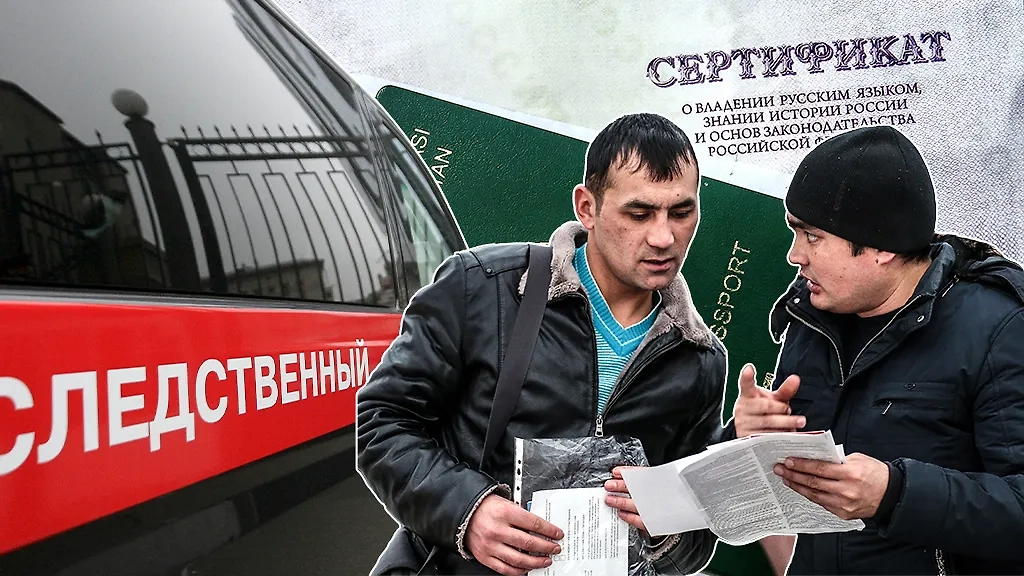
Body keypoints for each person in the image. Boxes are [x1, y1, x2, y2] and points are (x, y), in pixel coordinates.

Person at [356, 113, 727, 575]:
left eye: (681, 212)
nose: (663, 237)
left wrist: (664, 529)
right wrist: (467, 512)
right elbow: (382, 422)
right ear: (587, 207)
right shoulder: (482, 287)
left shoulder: (700, 359)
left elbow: (695, 537)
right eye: (639, 214)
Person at [720, 125, 1024, 574]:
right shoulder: (811, 315)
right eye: (795, 231)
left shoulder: (998, 328)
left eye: (812, 236)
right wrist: (744, 436)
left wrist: (896, 494)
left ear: (881, 248)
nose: (794, 255)